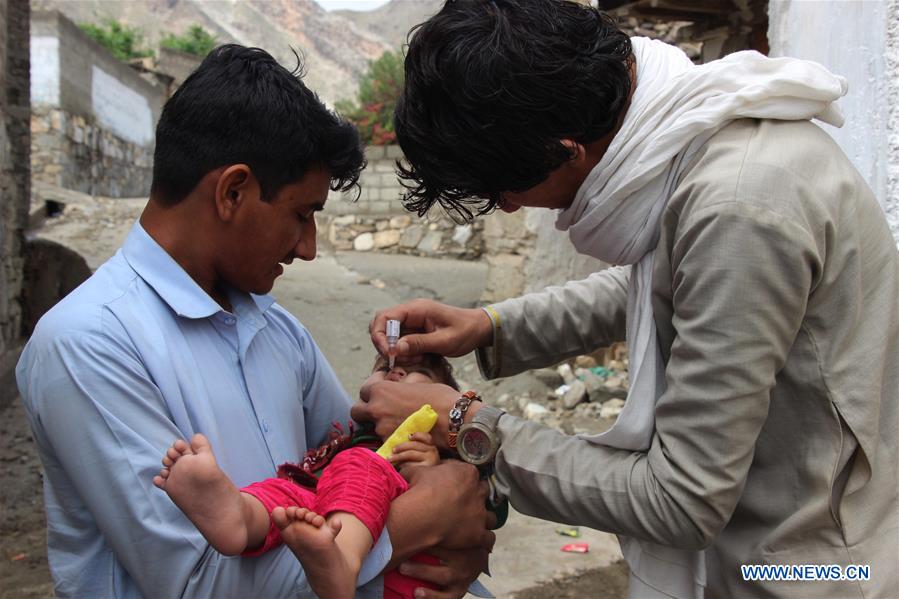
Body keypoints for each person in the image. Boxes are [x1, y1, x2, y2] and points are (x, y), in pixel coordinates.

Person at [355, 2, 899, 598]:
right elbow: (666, 284)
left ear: (567, 152)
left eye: (505, 189)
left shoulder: (737, 207)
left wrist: (464, 423)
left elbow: (681, 502)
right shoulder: (692, 132)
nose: (509, 206)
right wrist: (486, 326)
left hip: (813, 570)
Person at [16, 44, 493, 599]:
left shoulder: (278, 331)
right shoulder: (88, 343)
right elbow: (199, 584)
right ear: (232, 191)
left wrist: (461, 518)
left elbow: (360, 463)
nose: (310, 248)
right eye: (301, 214)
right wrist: (428, 519)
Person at [154, 354, 461, 599]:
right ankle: (238, 517)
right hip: (323, 502)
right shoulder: (347, 436)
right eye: (385, 367)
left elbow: (469, 496)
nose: (396, 372)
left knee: (361, 463)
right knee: (284, 493)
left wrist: (426, 467)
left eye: (420, 371)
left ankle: (343, 558)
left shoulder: (428, 449)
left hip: (390, 569)